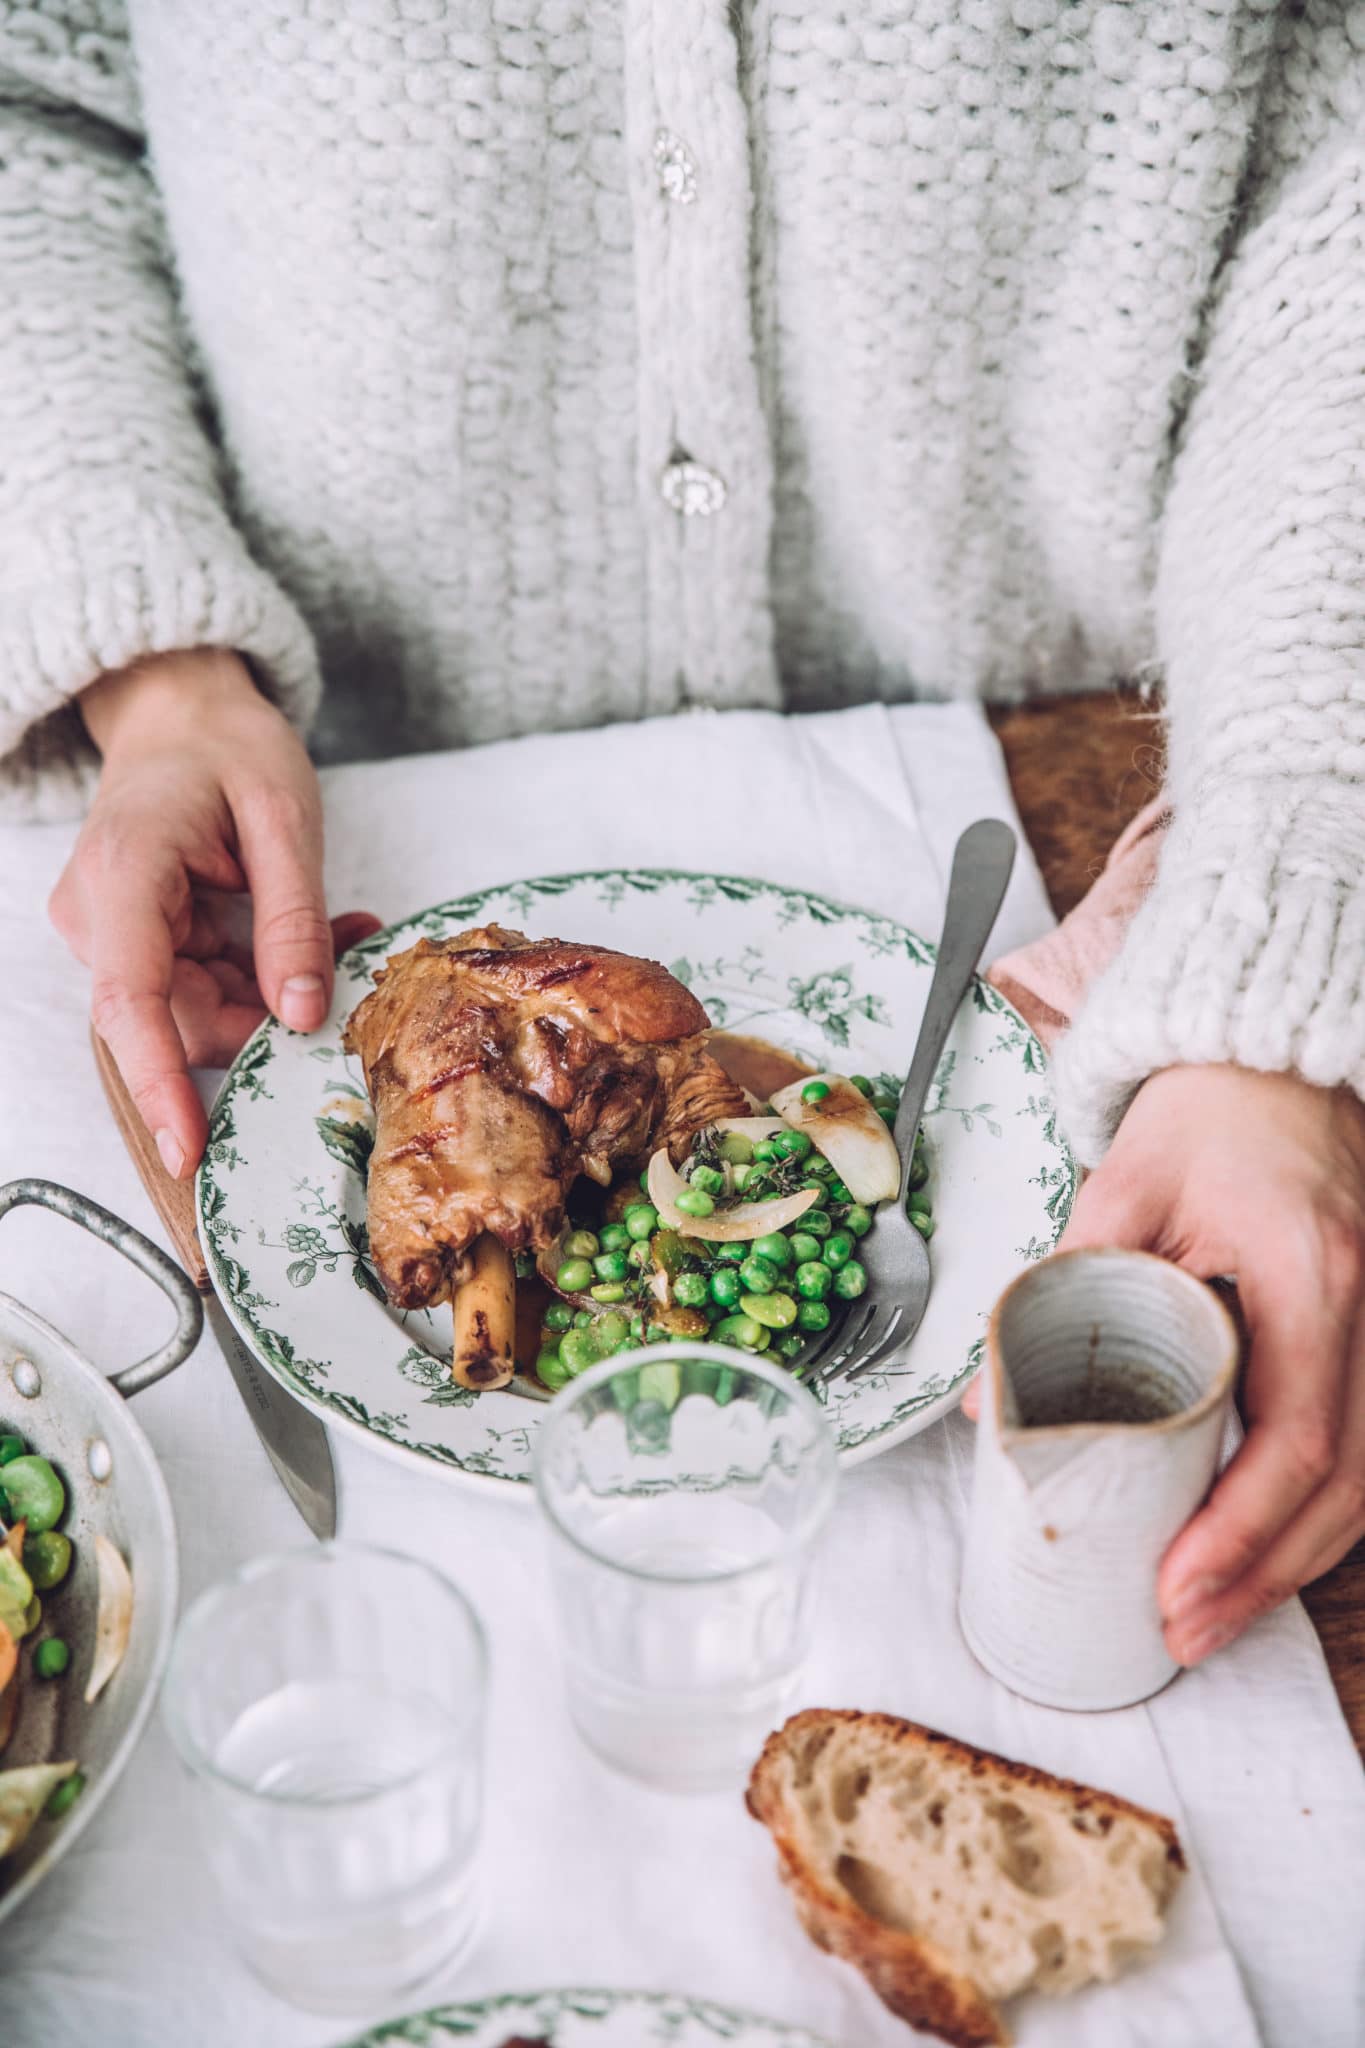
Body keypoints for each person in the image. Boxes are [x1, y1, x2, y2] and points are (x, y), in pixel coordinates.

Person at [3, 5, 1363, 1670]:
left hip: (1101, 766)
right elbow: (31, 116)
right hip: (320, 795)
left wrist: (1284, 961)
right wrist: (155, 673)